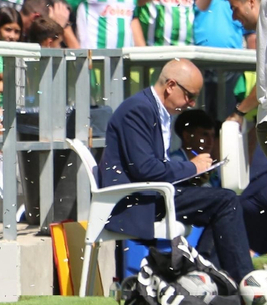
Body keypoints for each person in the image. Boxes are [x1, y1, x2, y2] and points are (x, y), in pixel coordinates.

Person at [97, 59, 254, 282]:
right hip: (134, 200)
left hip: (151, 194)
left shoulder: (154, 109)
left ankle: (207, 276)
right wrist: (192, 166)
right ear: (171, 85)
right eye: (189, 96)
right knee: (226, 201)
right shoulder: (138, 109)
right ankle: (241, 282)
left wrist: (191, 177)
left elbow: (151, 167)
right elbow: (145, 169)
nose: (191, 103)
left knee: (224, 202)